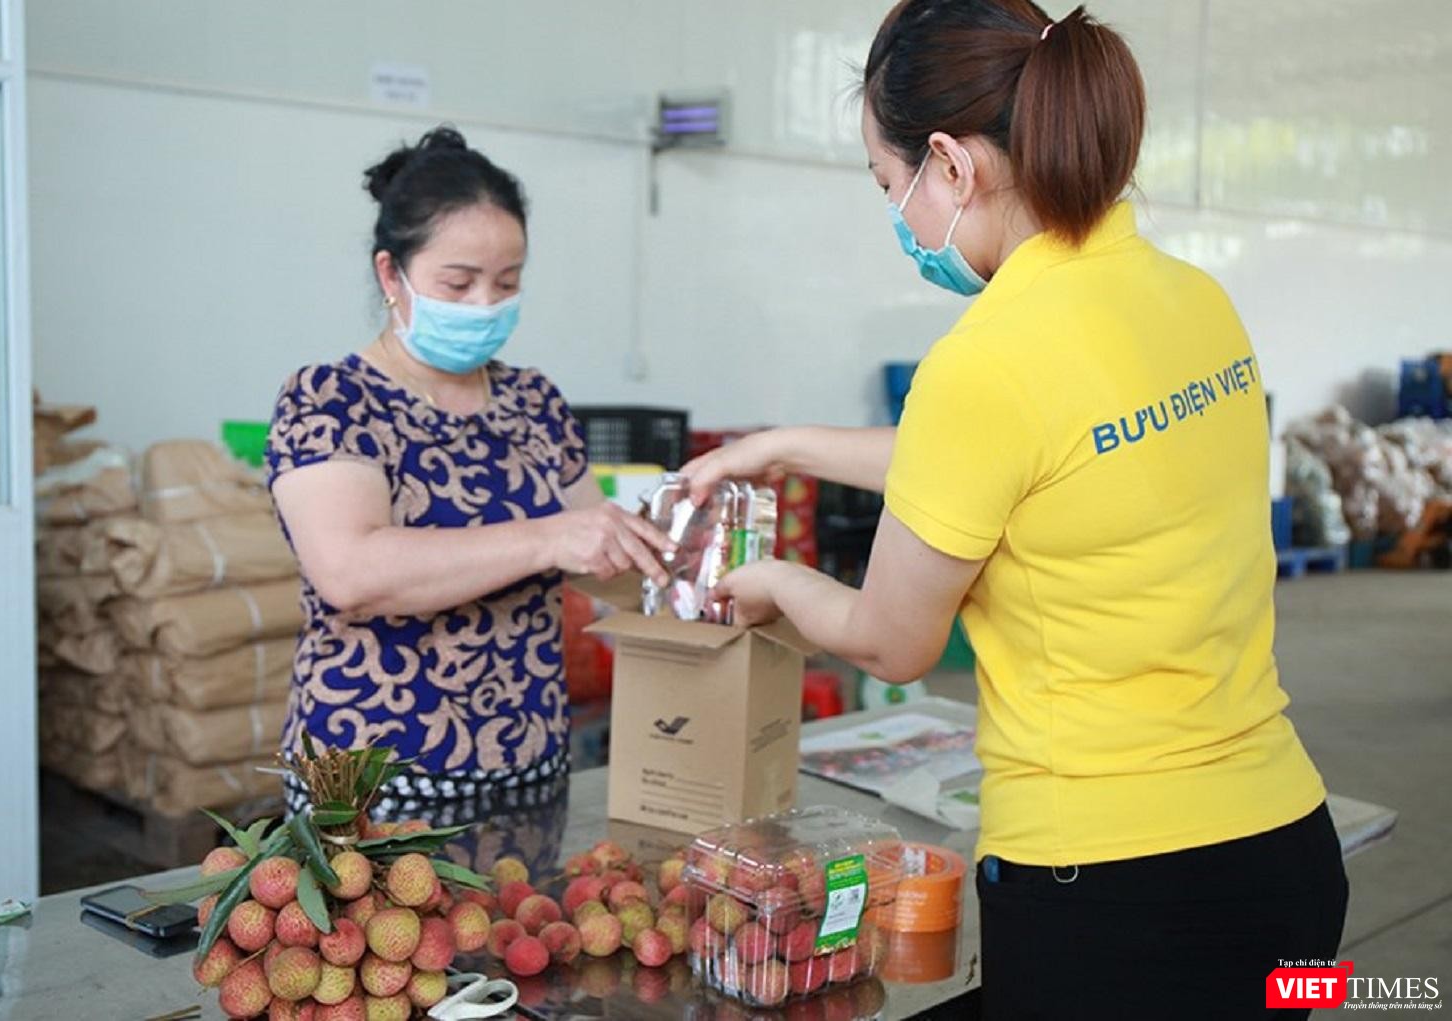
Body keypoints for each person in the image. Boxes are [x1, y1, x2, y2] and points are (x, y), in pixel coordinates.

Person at [684, 3, 1347, 1017]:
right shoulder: (1192, 298)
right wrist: (784, 445)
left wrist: (775, 582)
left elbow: (893, 639)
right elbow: (1036, 465)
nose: (899, 219)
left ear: (950, 165)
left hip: (1112, 895)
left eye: (888, 184)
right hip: (1289, 858)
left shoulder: (988, 358)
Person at [266, 126, 669, 823]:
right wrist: (546, 538)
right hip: (374, 782)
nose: (485, 303)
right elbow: (351, 572)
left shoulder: (533, 400)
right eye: (458, 282)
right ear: (391, 275)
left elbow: (598, 557)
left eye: (507, 282)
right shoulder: (331, 399)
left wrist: (678, 551)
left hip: (528, 765)